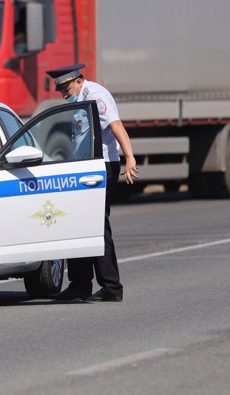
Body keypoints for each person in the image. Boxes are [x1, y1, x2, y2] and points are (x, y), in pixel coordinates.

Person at [46, 64, 138, 302]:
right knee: (80, 225)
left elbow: (116, 125)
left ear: (78, 80)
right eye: (60, 89)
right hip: (85, 167)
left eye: (65, 87)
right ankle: (80, 285)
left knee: (96, 227)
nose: (63, 93)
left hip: (103, 167)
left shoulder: (95, 95)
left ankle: (111, 287)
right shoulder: (81, 99)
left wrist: (129, 157)